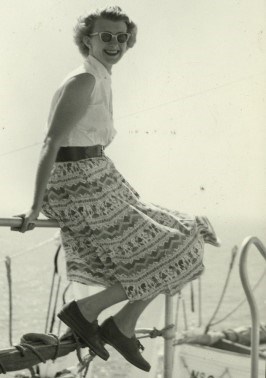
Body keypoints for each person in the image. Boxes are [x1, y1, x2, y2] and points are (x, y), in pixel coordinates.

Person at [15, 5, 220, 372]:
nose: (115, 44)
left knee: (192, 232)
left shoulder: (101, 77)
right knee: (174, 245)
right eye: (105, 36)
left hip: (98, 175)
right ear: (87, 39)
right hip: (77, 183)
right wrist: (34, 207)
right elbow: (51, 142)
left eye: (122, 37)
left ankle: (118, 323)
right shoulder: (84, 80)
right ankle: (90, 313)